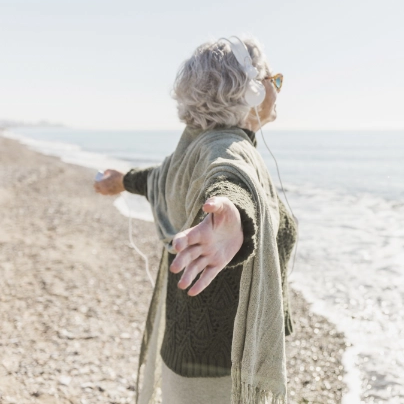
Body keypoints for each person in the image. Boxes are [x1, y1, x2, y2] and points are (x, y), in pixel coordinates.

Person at [94, 37, 296, 404]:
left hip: (187, 344)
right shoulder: (227, 148)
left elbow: (162, 177)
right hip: (221, 363)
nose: (278, 89)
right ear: (250, 91)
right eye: (274, 80)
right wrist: (232, 214)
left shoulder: (194, 145)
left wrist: (122, 181)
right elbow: (227, 178)